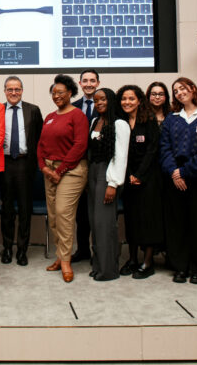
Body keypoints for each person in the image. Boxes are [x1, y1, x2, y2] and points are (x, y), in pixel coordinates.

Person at [159, 77, 197, 285]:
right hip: (174, 179)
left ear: (193, 89)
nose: (179, 93)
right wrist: (174, 172)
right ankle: (180, 267)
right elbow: (164, 148)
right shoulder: (171, 118)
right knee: (177, 225)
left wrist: (184, 172)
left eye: (183, 88)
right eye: (176, 90)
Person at [37, 74, 89, 283]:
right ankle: (60, 256)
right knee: (53, 216)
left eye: (61, 92)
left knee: (63, 213)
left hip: (71, 170)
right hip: (49, 171)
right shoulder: (50, 116)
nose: (57, 95)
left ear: (70, 93)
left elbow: (80, 145)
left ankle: (66, 261)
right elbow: (41, 145)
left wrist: (60, 170)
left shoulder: (78, 116)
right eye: (54, 92)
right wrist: (44, 168)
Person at [117, 85, 164, 279]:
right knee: (131, 221)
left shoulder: (149, 120)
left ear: (139, 101)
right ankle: (132, 260)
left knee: (147, 220)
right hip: (128, 179)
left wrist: (139, 175)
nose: (127, 102)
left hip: (148, 179)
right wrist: (129, 175)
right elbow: (120, 152)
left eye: (131, 98)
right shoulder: (120, 122)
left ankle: (148, 262)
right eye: (124, 99)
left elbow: (153, 150)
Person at [85, 88, 129, 281]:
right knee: (94, 222)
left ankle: (108, 270)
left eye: (103, 99)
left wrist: (113, 184)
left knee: (104, 223)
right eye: (96, 100)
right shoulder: (95, 121)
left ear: (111, 100)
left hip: (107, 174)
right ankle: (98, 266)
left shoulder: (119, 124)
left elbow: (121, 156)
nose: (99, 103)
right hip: (92, 173)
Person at [0, 76, 43, 266]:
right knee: (7, 209)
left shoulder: (33, 110)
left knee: (25, 209)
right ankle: (7, 248)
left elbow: (40, 138)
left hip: (26, 164)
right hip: (4, 163)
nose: (13, 92)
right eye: (10, 89)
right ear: (4, 91)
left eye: (17, 89)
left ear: (22, 91)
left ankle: (22, 250)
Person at [71, 69, 100, 263]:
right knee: (81, 213)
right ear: (80, 84)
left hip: (99, 165)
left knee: (98, 213)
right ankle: (83, 250)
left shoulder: (106, 105)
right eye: (85, 81)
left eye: (92, 80)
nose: (89, 84)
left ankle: (99, 251)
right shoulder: (72, 107)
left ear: (98, 83)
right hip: (78, 166)